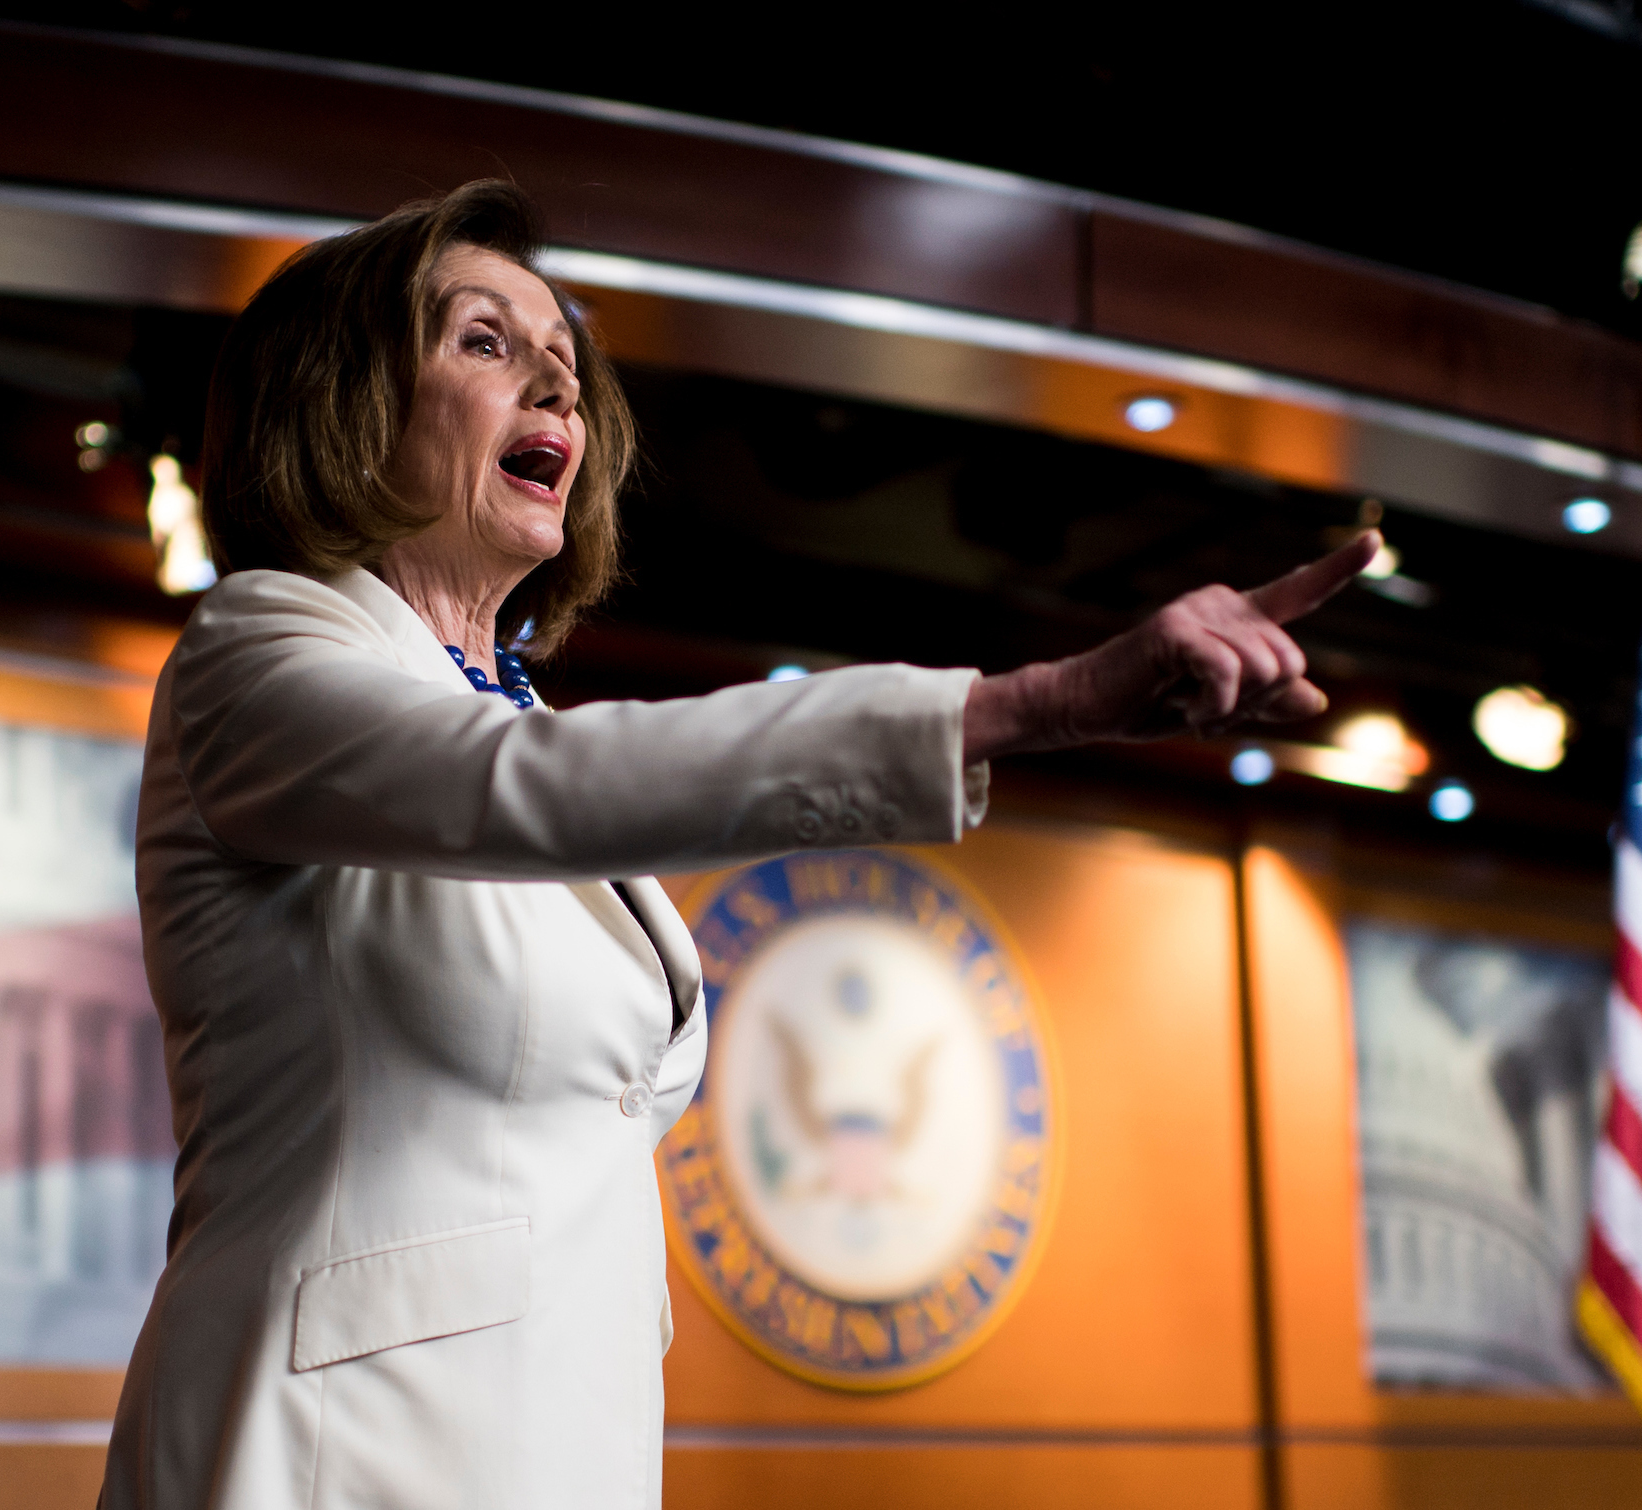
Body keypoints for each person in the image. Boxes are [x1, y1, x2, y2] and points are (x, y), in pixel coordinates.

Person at [100, 179, 1374, 1510]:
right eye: (483, 340)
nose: (555, 382)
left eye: (564, 358)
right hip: (323, 1456)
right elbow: (509, 788)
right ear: (341, 401)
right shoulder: (254, 656)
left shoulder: (522, 716)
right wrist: (1033, 707)